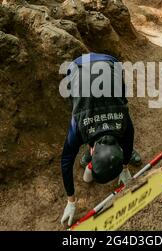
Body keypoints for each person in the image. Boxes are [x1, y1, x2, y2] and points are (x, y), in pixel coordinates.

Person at [60, 53, 141, 226]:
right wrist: (71, 201)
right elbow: (65, 162)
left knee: (121, 98)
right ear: (91, 150)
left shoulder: (125, 124)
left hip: (108, 65)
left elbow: (128, 145)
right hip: (79, 66)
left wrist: (124, 168)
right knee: (77, 104)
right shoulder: (78, 127)